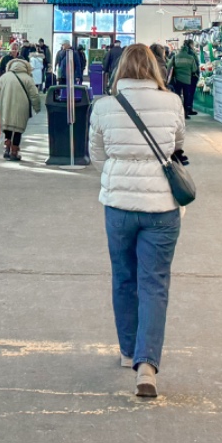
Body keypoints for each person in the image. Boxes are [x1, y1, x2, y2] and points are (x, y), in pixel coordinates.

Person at [88, 43, 187, 399]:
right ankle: (146, 365)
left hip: (118, 206)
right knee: (154, 283)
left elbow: (96, 155)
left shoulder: (103, 107)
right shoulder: (173, 102)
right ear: (156, 69)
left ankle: (128, 350)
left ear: (119, 70)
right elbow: (177, 146)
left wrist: (118, 176)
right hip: (162, 207)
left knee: (123, 278)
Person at [0, 56, 43, 163]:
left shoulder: (4, 77)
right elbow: (34, 95)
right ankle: (14, 152)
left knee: (8, 128)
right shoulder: (28, 78)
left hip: (6, 106)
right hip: (22, 107)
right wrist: (37, 107)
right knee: (18, 130)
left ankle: (6, 149)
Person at [168, 39, 199, 117]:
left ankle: (177, 112)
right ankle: (185, 113)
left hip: (177, 79)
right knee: (186, 96)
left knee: (178, 96)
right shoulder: (191, 57)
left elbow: (169, 66)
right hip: (187, 80)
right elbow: (194, 69)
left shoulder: (176, 56)